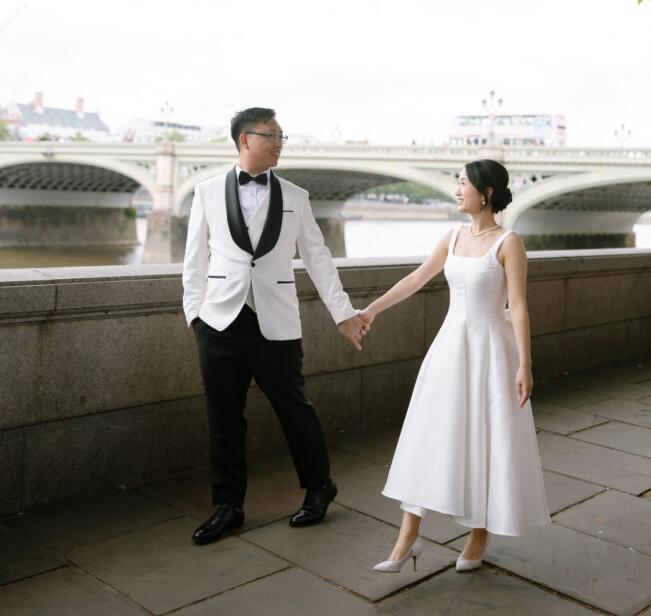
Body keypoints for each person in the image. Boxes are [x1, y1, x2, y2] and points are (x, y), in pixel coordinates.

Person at [183, 107, 368, 544]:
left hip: (277, 323)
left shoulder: (297, 197)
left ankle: (320, 486)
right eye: (272, 136)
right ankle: (229, 506)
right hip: (219, 322)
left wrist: (343, 313)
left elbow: (318, 258)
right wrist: (196, 315)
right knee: (224, 418)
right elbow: (194, 259)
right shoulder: (206, 191)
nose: (280, 143)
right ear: (245, 140)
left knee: (295, 410)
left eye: (282, 136)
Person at [361, 159, 549, 573]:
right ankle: (408, 536)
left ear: (487, 193)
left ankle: (479, 534)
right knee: (429, 434)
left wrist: (525, 365)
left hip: (491, 353)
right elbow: (415, 279)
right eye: (457, 182)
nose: (456, 189)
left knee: (486, 438)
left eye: (463, 183)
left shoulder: (509, 242)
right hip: (450, 349)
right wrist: (370, 311)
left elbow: (517, 306)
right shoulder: (452, 236)